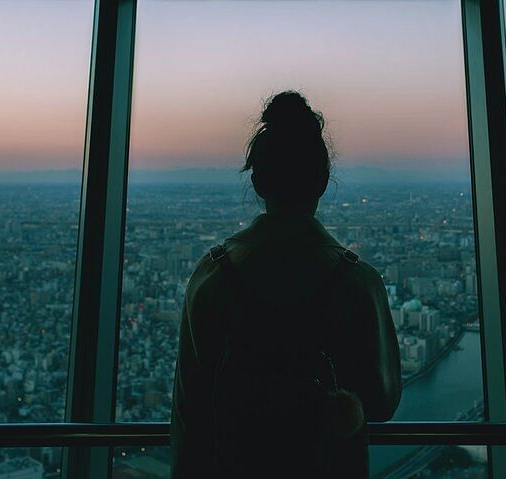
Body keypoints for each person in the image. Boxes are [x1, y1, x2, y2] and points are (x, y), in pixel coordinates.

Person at [170, 91, 401, 478]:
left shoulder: (213, 276)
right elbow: (382, 402)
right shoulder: (357, 282)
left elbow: (189, 410)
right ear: (323, 181)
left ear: (258, 182)